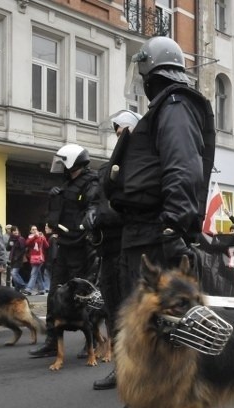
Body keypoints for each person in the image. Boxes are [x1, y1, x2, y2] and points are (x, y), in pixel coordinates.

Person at [95, 35, 215, 408]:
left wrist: (172, 225)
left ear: (152, 71)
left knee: (170, 333)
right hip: (140, 234)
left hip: (155, 235)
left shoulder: (176, 105)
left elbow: (184, 167)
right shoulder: (165, 108)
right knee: (142, 331)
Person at [28, 143, 100, 358]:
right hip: (65, 245)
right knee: (54, 294)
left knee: (82, 296)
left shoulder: (91, 183)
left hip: (81, 246)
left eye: (63, 161)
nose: (59, 165)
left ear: (73, 161)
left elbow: (94, 205)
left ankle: (92, 341)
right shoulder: (65, 184)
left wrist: (91, 215)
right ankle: (52, 341)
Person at [87, 110, 139, 365]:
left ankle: (135, 366)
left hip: (129, 246)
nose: (119, 138)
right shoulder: (107, 169)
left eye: (123, 133)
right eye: (117, 134)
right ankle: (120, 367)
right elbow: (96, 200)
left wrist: (110, 215)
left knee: (130, 309)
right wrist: (92, 215)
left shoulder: (141, 165)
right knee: (112, 307)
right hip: (108, 248)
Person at [23, 225, 49, 295]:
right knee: (38, 274)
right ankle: (42, 289)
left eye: (36, 229)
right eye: (33, 229)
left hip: (39, 258)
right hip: (32, 258)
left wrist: (43, 238)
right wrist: (35, 237)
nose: (35, 230)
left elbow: (46, 246)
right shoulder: (30, 237)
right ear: (31, 231)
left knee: (33, 273)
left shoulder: (41, 237)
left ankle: (29, 289)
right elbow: (27, 243)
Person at [7, 225, 28, 291]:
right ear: (12, 232)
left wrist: (17, 257)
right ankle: (17, 288)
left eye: (16, 230)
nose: (15, 232)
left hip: (18, 259)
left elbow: (23, 249)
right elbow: (7, 248)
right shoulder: (12, 239)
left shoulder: (20, 239)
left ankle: (23, 285)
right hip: (12, 259)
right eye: (14, 231)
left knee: (14, 273)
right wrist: (10, 242)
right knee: (14, 273)